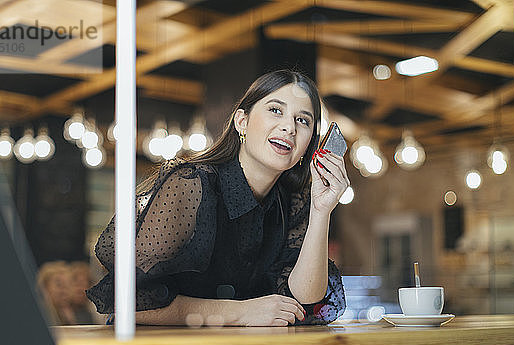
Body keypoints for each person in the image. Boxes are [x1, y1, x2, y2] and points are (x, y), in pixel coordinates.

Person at [87, 70, 349, 326]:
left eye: (303, 120)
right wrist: (242, 312)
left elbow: (306, 300)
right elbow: (127, 303)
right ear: (241, 122)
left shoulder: (292, 204)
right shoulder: (189, 185)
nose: (289, 127)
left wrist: (321, 210)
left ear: (309, 144)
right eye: (275, 110)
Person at [37, 261, 76, 325]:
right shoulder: (39, 313)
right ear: (44, 287)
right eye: (59, 284)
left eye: (68, 284)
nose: (64, 290)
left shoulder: (75, 312)